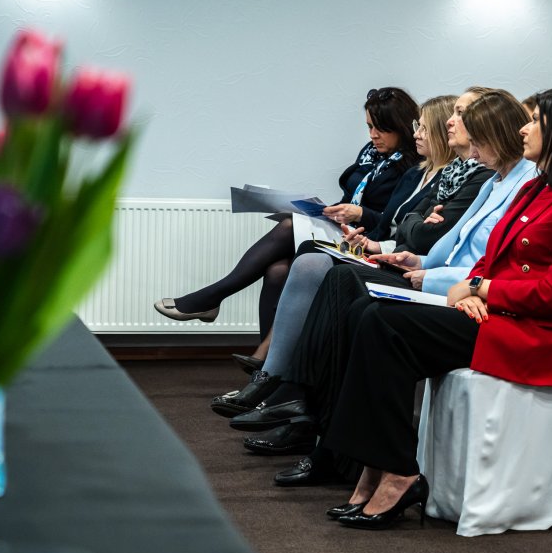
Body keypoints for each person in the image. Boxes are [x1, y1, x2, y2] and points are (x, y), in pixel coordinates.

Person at [317, 85, 552, 530]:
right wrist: (472, 287)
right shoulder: (540, 186)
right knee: (367, 313)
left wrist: (483, 291)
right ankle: (379, 464)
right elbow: (490, 258)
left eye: (534, 120)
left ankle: (394, 469)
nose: (524, 127)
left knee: (383, 322)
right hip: (498, 317)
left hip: (537, 336)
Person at [232, 90, 538, 484]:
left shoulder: (513, 181)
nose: (452, 126)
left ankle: (303, 407)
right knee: (331, 274)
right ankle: (305, 409)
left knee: (344, 285)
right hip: (434, 273)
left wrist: (428, 267)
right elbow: (438, 236)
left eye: (464, 120)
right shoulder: (493, 180)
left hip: (456, 289)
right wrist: (417, 259)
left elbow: (452, 242)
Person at [209, 90, 495, 421]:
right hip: (401, 257)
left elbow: (420, 233)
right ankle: (281, 385)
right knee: (285, 266)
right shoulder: (431, 174)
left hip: (426, 271)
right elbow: (404, 226)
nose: (421, 132)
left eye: (425, 127)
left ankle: (282, 384)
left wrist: (383, 234)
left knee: (323, 269)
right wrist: (379, 238)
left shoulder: (470, 177)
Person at [153, 87, 420, 360]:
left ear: (401, 127)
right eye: (369, 127)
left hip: (368, 243)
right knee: (277, 269)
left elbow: (392, 221)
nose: (373, 135)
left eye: (381, 129)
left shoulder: (414, 166)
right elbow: (353, 197)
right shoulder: (372, 154)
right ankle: (268, 365)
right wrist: (335, 212)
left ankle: (213, 299)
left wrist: (360, 214)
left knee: (289, 227)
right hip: (345, 232)